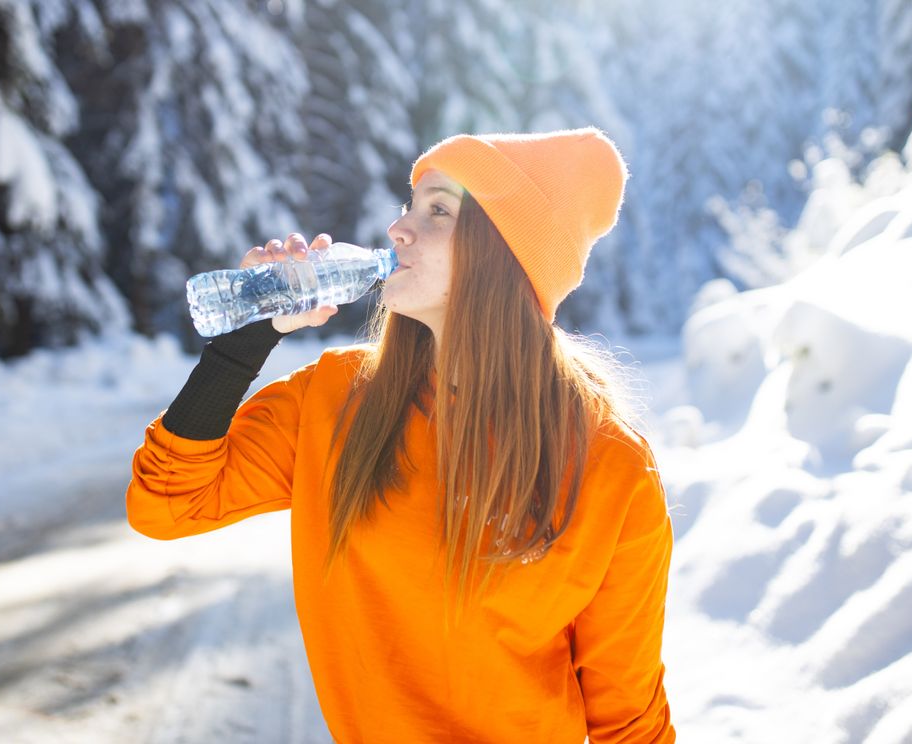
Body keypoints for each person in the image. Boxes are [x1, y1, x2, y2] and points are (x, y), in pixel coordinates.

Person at [126, 126, 676, 743]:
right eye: (409, 205)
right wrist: (245, 336)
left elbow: (628, 721)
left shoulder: (610, 466)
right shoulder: (338, 400)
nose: (398, 229)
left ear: (505, 252)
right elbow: (165, 504)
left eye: (439, 210)